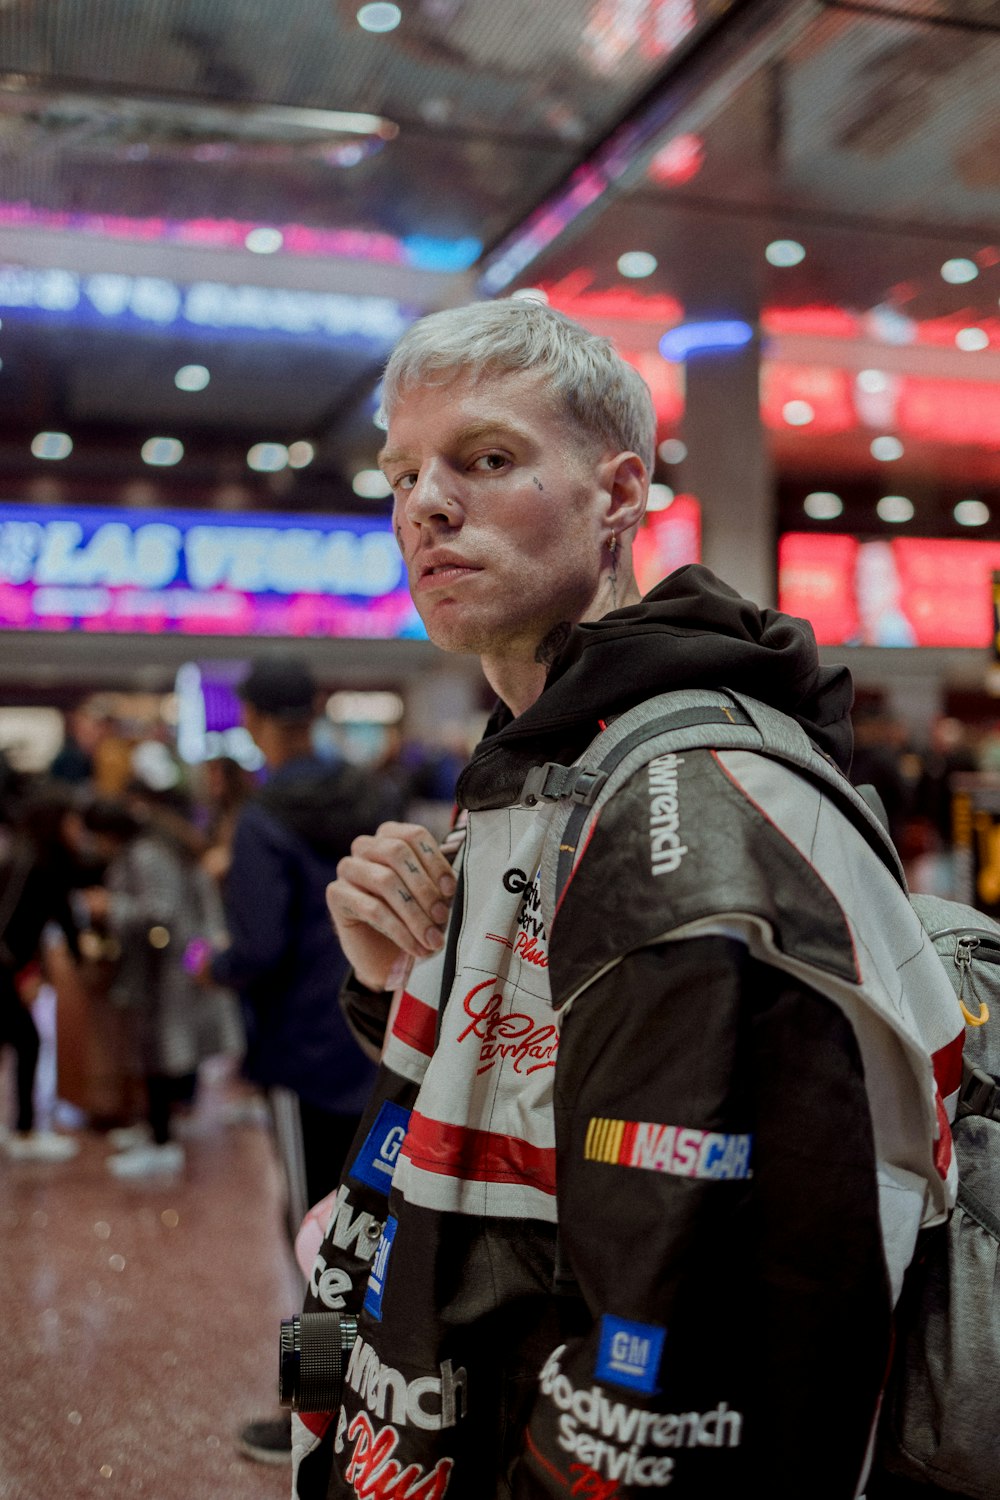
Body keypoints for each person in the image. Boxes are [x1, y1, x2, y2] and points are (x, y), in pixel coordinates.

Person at [298, 299, 956, 1500]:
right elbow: (536, 1098)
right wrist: (400, 981)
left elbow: (692, 1304)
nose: (423, 506)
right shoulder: (549, 752)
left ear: (617, 496)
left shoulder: (682, 796)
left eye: (485, 460)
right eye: (399, 473)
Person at [207, 656, 399, 1465]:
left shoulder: (260, 819)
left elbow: (256, 948)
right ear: (315, 710)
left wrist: (203, 963)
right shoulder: (370, 797)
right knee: (376, 1228)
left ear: (254, 720)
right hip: (385, 1041)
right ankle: (381, 1400)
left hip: (303, 1050)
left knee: (313, 1236)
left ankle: (313, 1412)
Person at [81, 797, 242, 1178]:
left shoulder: (146, 854)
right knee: (165, 1049)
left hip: (164, 968)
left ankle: (162, 1140)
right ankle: (159, 1130)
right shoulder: (162, 844)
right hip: (175, 963)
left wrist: (110, 907)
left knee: (159, 1049)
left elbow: (160, 912)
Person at [0, 787, 90, 1161]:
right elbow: (58, 920)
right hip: (5, 966)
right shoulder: (44, 864)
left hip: (8, 965)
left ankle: (22, 1127)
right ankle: (23, 1131)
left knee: (18, 1040)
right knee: (27, 1040)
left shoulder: (22, 857)